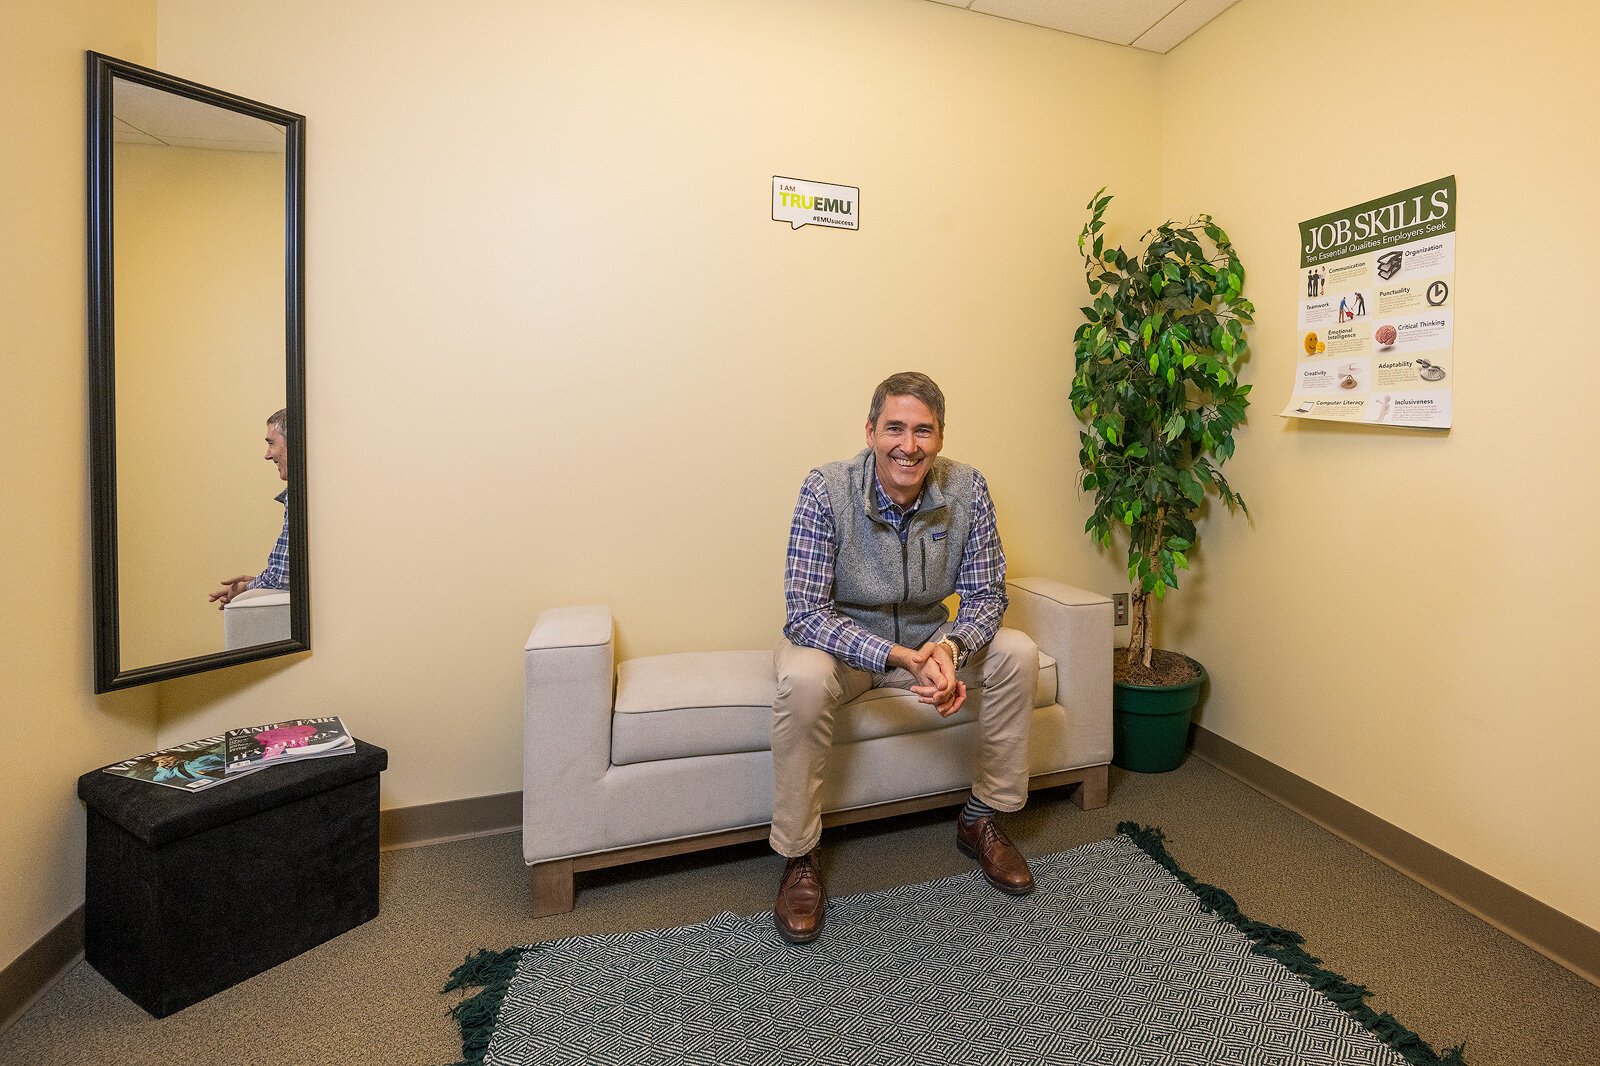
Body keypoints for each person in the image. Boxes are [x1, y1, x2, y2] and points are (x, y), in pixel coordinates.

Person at [770, 371, 1040, 943]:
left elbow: (988, 594)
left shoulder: (967, 488)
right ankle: (800, 854)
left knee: (1017, 650)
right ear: (870, 432)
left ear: (940, 439)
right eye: (894, 427)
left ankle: (982, 818)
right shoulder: (825, 488)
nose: (908, 445)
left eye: (923, 431)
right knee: (803, 676)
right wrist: (898, 655)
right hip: (843, 641)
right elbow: (805, 612)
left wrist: (949, 647)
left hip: (928, 637)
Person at [209, 409, 290, 609]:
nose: (267, 455)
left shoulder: (301, 495)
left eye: (271, 443)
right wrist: (255, 582)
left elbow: (282, 576)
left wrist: (246, 588)